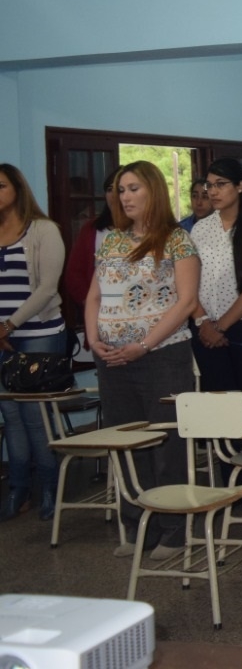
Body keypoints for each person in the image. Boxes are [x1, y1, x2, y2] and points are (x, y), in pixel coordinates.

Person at [84, 161, 198, 558]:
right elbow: (94, 296)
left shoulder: (177, 239)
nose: (125, 196)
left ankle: (174, 530)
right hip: (113, 360)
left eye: (133, 188)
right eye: (121, 190)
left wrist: (145, 344)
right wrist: (94, 339)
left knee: (167, 443)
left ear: (153, 190)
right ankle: (137, 527)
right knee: (127, 442)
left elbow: (186, 302)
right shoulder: (112, 240)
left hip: (162, 356)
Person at [0, 164, 67, 522]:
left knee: (35, 416)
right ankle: (18, 488)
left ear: (17, 189)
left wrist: (8, 325)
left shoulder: (43, 230)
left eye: (0, 186)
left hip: (38, 332)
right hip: (2, 337)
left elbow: (47, 288)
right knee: (11, 415)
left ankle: (51, 489)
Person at [189, 158, 242, 391]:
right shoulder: (200, 229)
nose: (213, 191)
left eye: (220, 184)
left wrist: (220, 327)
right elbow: (189, 282)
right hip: (205, 328)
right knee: (216, 401)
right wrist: (204, 322)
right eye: (209, 185)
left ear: (240, 186)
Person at [64, 175, 121, 312]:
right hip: (100, 309)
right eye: (109, 189)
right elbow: (74, 273)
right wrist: (90, 304)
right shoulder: (91, 228)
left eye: (120, 189)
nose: (114, 195)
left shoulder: (148, 231)